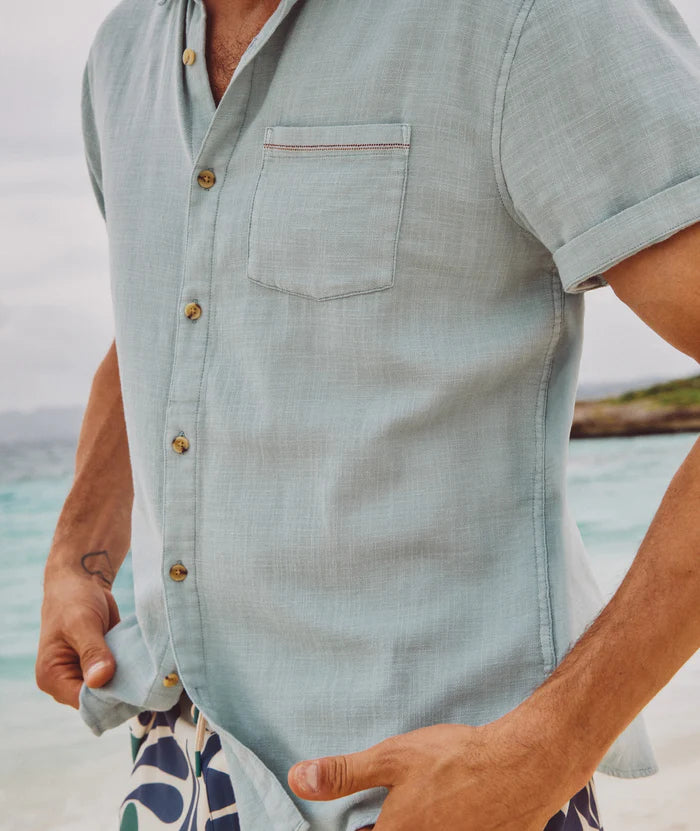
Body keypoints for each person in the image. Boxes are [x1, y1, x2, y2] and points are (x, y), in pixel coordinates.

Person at [36, 0, 700, 828]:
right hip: (186, 762)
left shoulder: (530, 18)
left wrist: (544, 750)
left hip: (446, 785)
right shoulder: (122, 52)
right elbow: (177, 305)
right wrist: (78, 557)